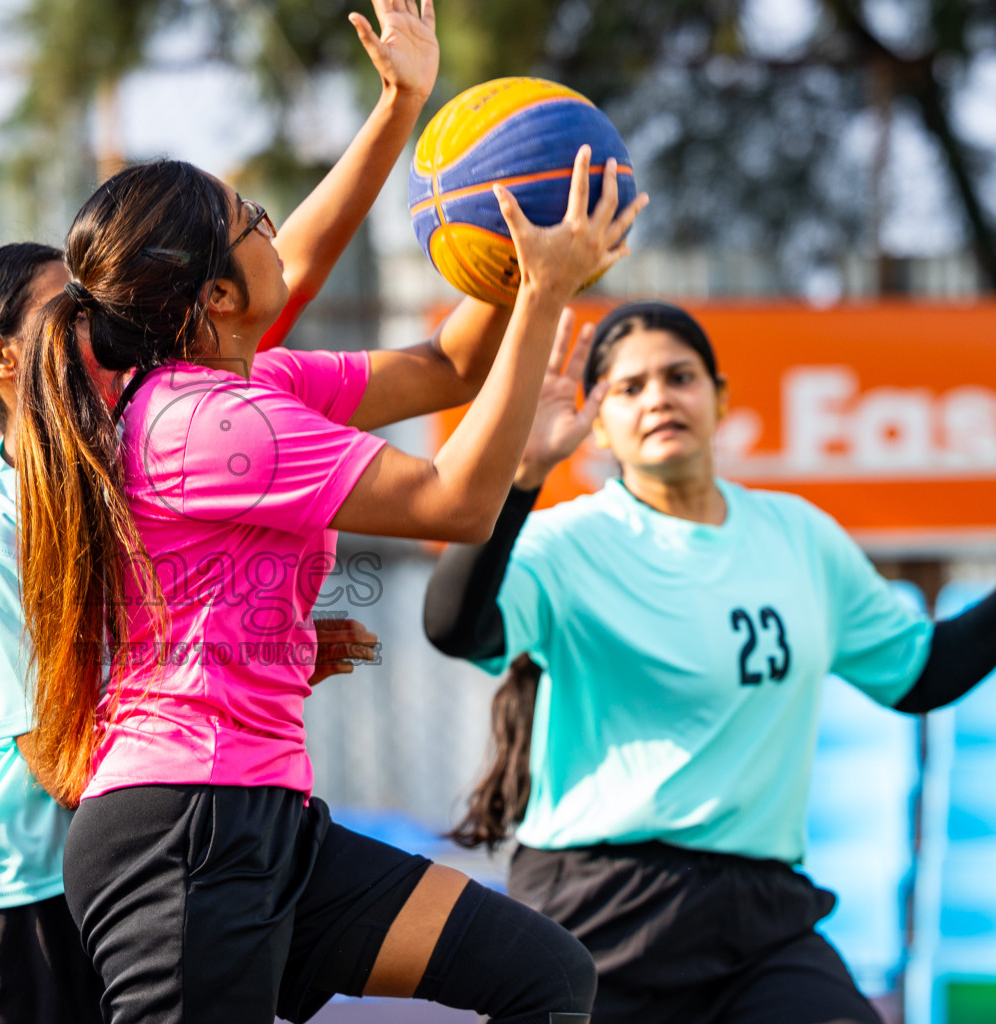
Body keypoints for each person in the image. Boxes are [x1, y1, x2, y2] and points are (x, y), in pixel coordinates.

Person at [12, 118, 645, 1021]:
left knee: (544, 976)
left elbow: (452, 364)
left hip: (259, 817)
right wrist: (544, 293)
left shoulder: (258, 386)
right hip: (185, 831)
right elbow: (454, 505)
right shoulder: (203, 422)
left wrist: (517, 242)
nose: (279, 234)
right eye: (256, 221)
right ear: (220, 292)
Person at [0, 4, 468, 1020]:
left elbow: (274, 277)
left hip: (126, 867)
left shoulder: (141, 424)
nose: (96, 313)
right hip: (18, 903)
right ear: (1, 358)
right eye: (64, 307)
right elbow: (50, 748)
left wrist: (398, 111)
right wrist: (206, 736)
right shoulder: (0, 518)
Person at [422, 300, 996, 1024]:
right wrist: (520, 476)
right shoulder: (569, 543)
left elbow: (922, 673)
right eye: (629, 388)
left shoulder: (798, 535)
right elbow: (452, 627)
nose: (658, 396)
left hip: (761, 914)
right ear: (597, 421)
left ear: (721, 397)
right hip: (601, 909)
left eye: (679, 376)